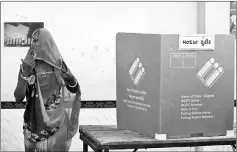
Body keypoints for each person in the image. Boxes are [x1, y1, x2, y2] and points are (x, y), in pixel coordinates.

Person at [14, 28, 81, 152]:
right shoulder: (27, 67)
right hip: (32, 127)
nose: (35, 45)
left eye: (38, 42)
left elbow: (73, 89)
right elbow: (18, 98)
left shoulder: (58, 65)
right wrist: (25, 76)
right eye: (33, 42)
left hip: (57, 127)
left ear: (49, 44)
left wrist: (72, 81)